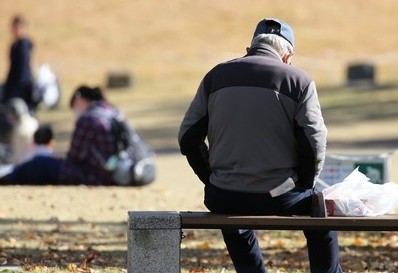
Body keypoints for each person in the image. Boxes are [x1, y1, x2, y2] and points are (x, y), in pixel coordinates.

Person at [178, 18, 342, 273]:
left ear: (250, 48)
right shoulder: (298, 81)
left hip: (224, 194)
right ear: (287, 56)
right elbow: (314, 142)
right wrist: (305, 184)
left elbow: (188, 137)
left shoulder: (215, 76)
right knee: (318, 207)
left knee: (231, 206)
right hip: (280, 195)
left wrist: (212, 178)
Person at [58, 85, 119, 185]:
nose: (75, 111)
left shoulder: (87, 119)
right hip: (118, 171)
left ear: (79, 100)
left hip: (96, 175)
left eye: (74, 106)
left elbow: (74, 155)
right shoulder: (112, 112)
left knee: (41, 163)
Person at [2, 15, 36, 111]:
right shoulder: (15, 46)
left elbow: (24, 68)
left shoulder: (24, 45)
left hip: (22, 85)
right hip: (14, 83)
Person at [7, 97, 39, 164]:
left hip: (25, 166)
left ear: (14, 114)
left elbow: (17, 158)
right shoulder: (34, 122)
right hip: (36, 161)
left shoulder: (19, 130)